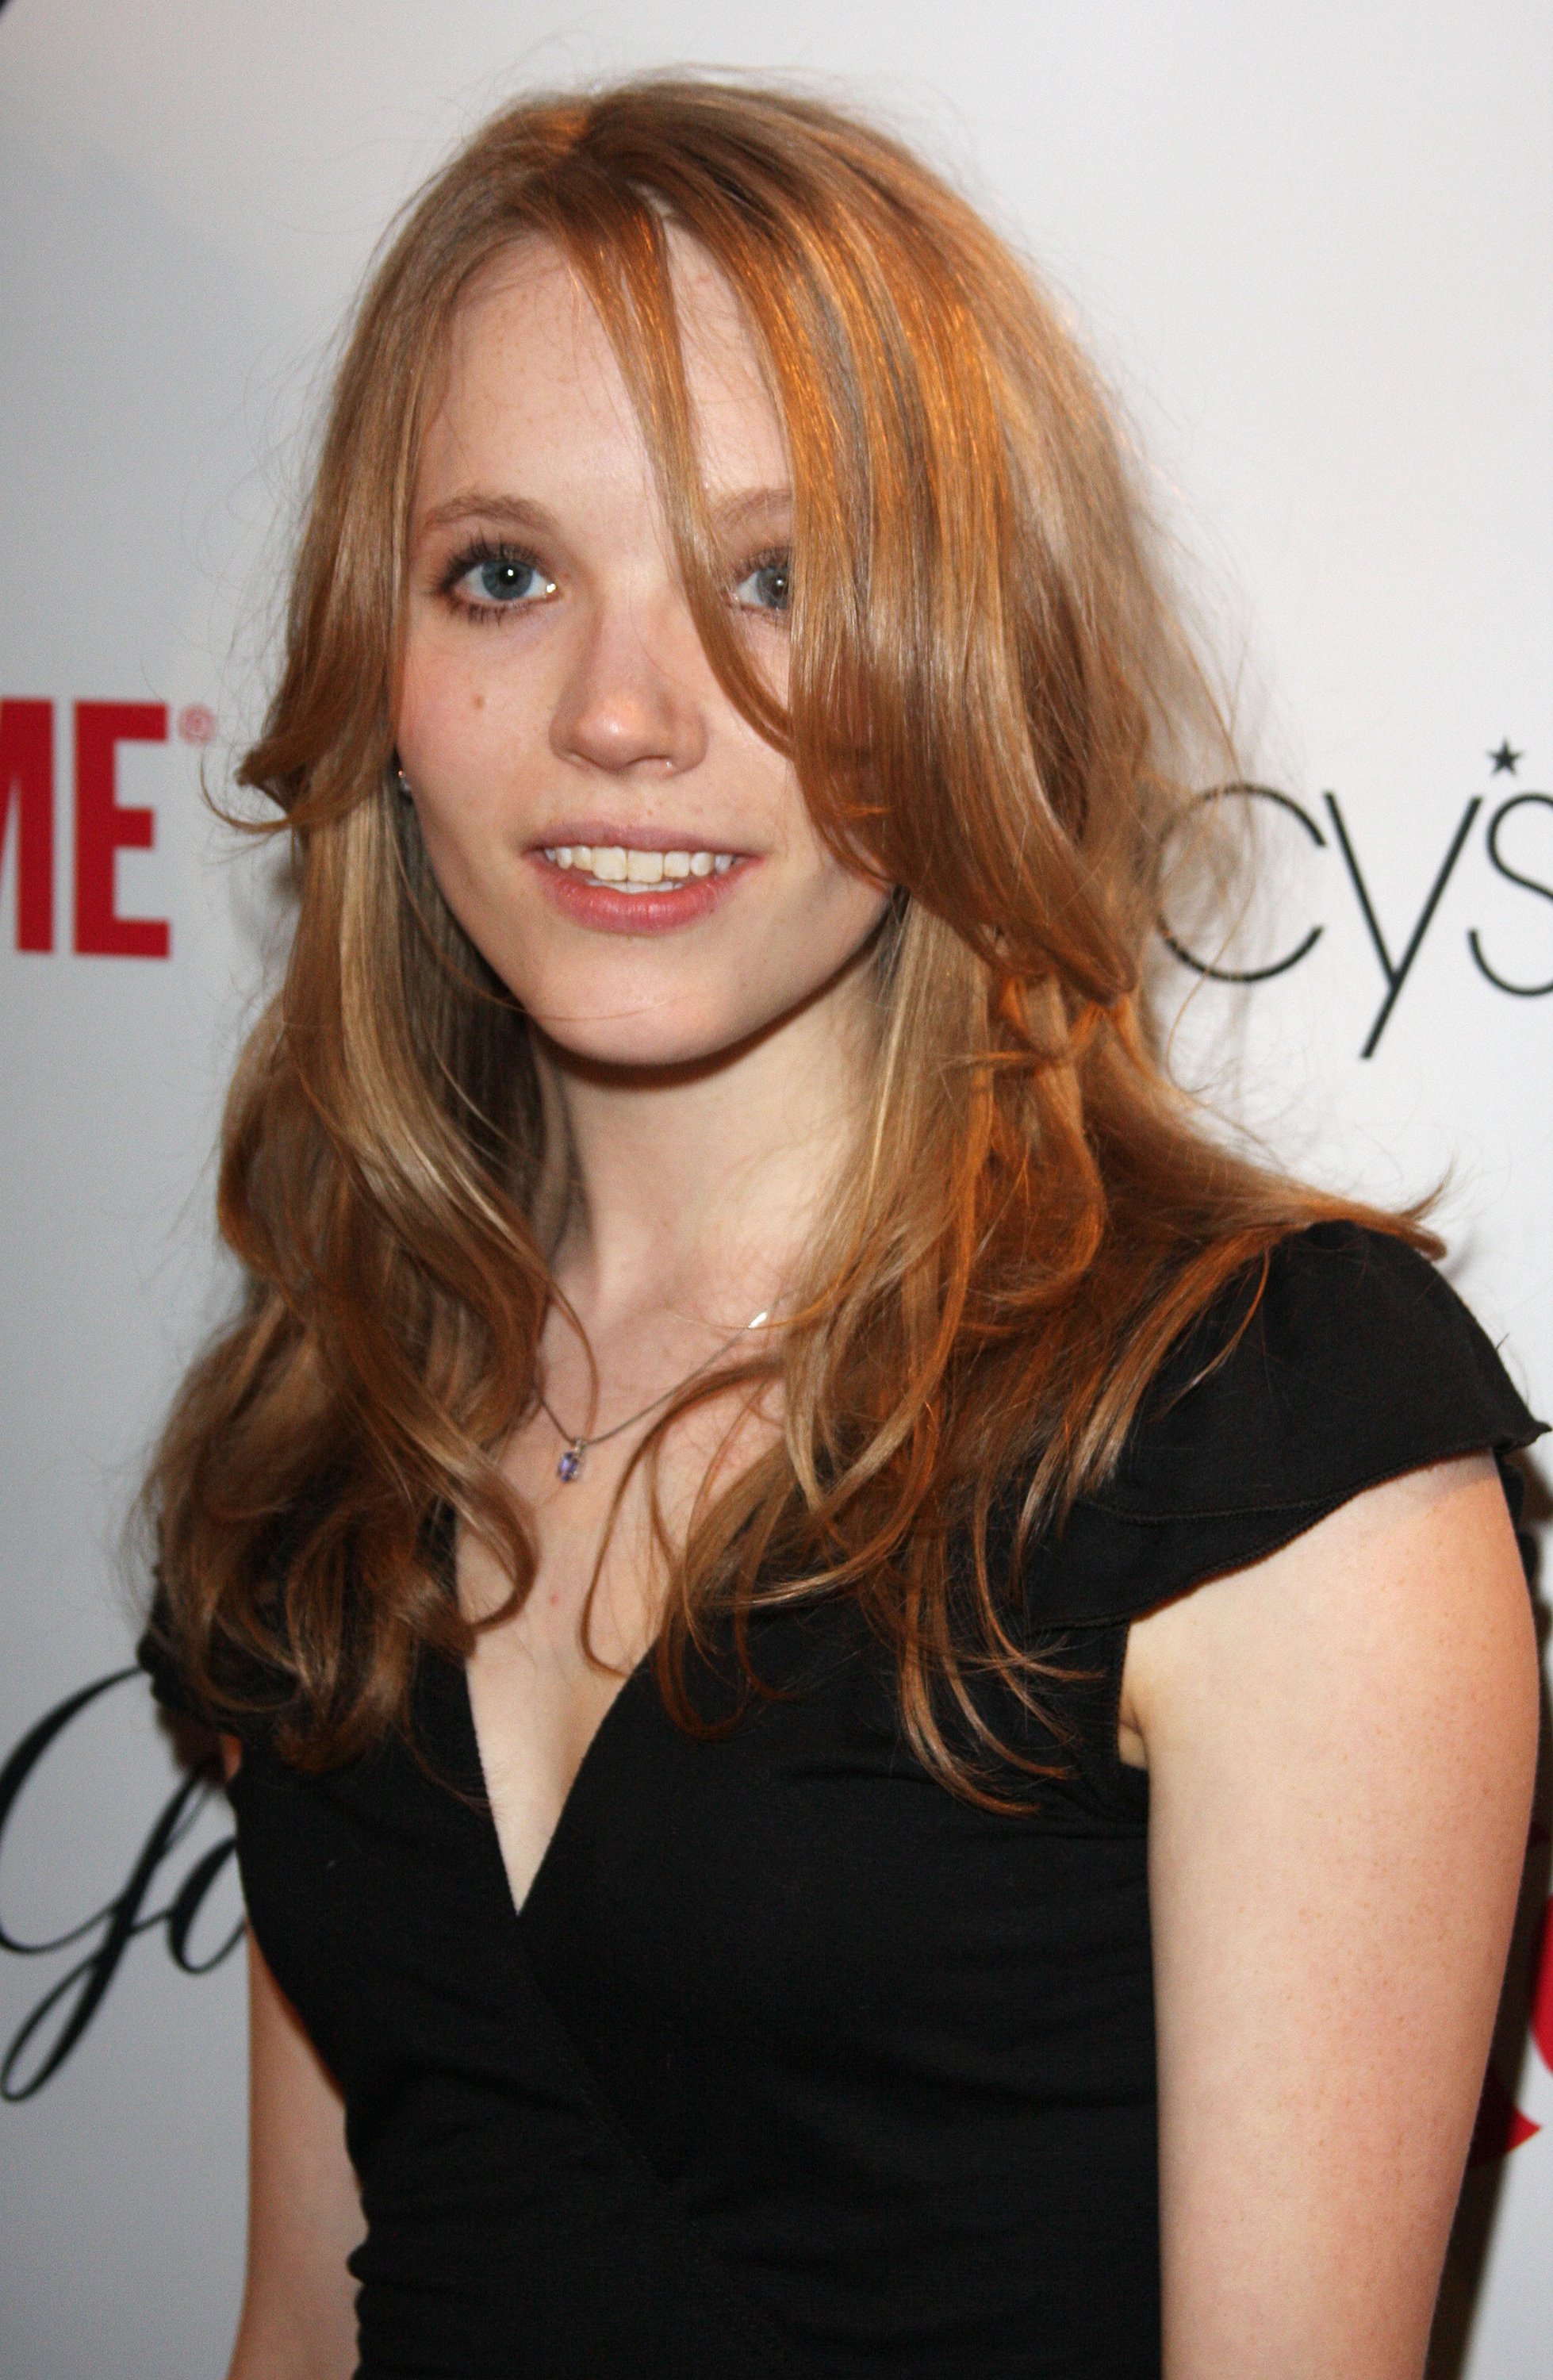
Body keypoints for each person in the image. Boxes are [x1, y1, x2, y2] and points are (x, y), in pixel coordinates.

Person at [140, 76, 1543, 2380]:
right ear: (377, 668)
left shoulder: (1262, 1429)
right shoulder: (342, 1394)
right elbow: (306, 2323)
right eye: (505, 573)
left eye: (775, 582)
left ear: (974, 662)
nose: (621, 713)